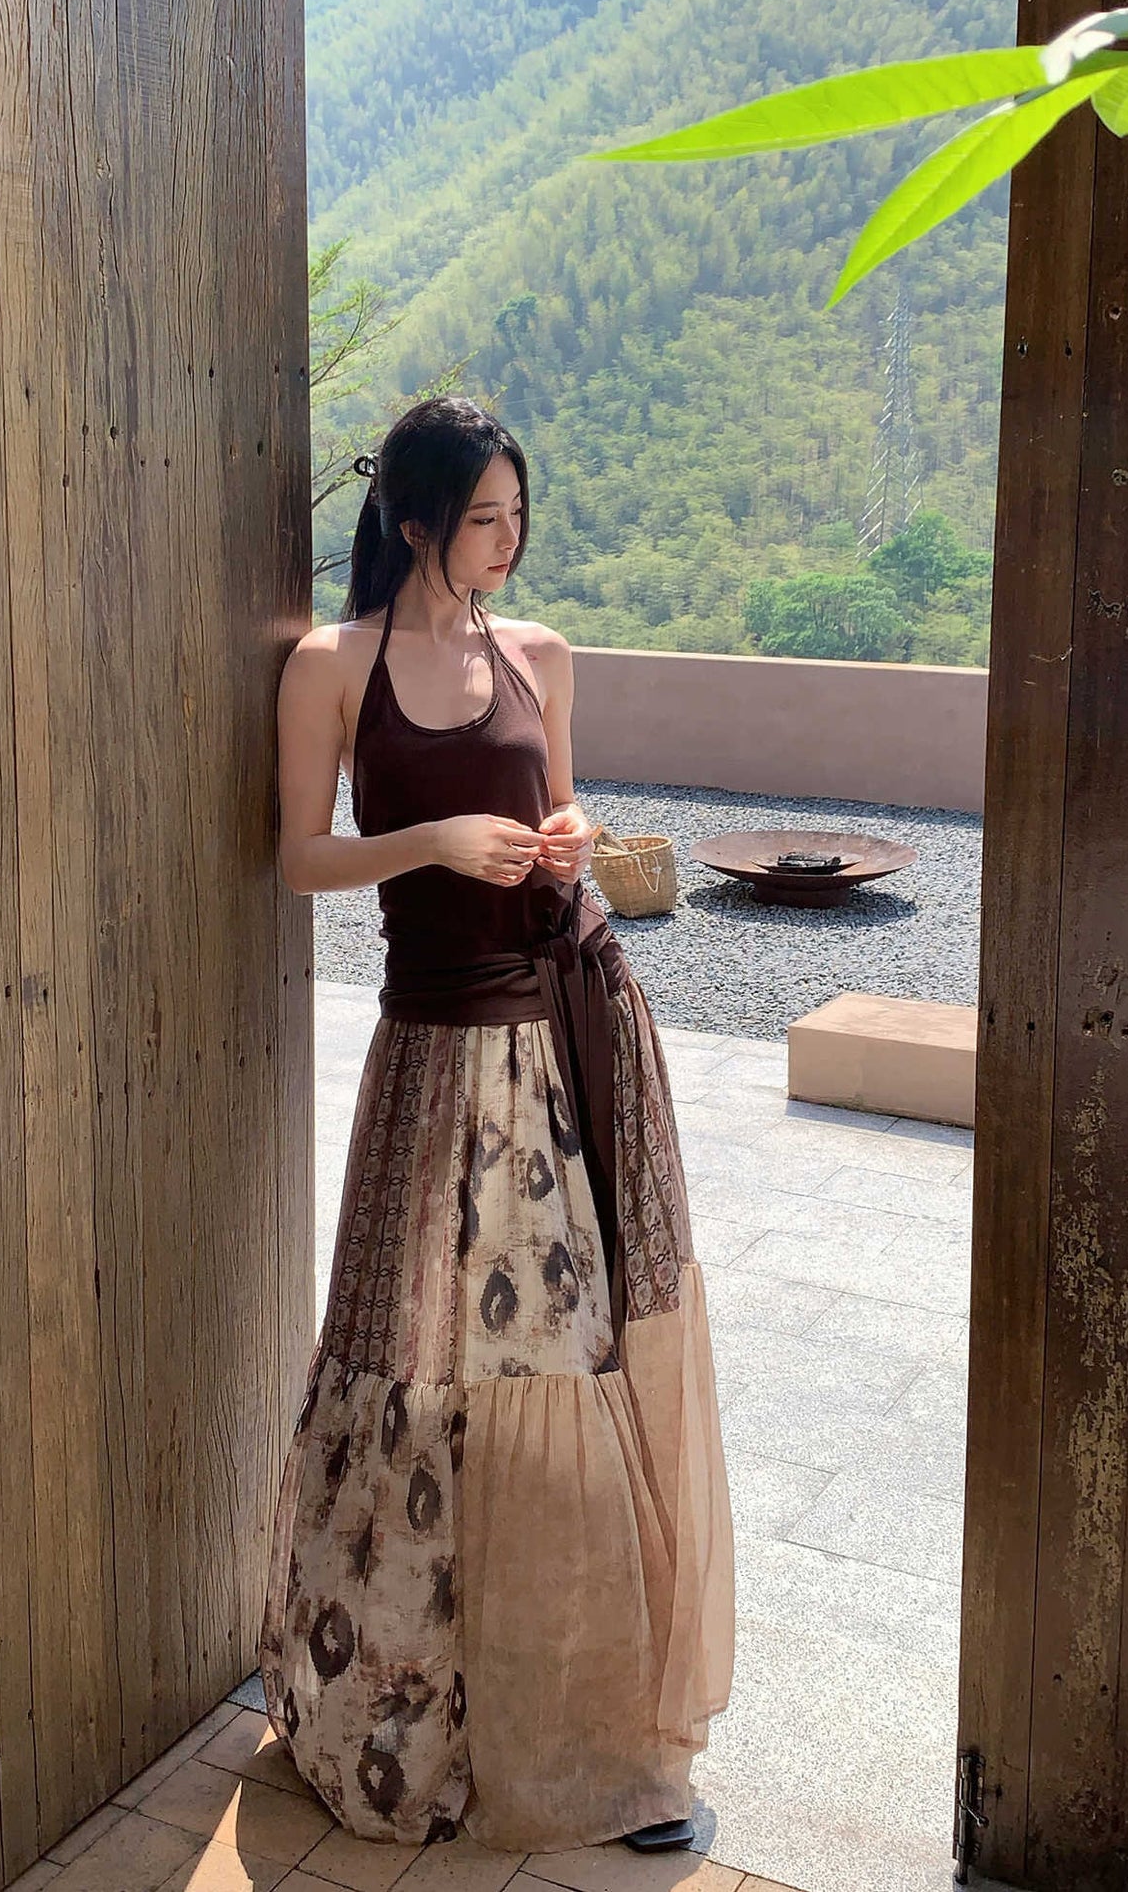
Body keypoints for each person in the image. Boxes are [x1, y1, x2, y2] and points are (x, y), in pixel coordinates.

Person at [259, 395, 734, 1855]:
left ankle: (583, 1735)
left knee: (561, 1368)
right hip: (427, 1057)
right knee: (408, 1362)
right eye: (483, 519)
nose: (509, 542)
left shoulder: (542, 654)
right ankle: (401, 1722)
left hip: (552, 1060)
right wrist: (431, 843)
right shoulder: (333, 666)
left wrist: (568, 838)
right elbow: (299, 857)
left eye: (519, 516)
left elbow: (563, 807)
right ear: (414, 520)